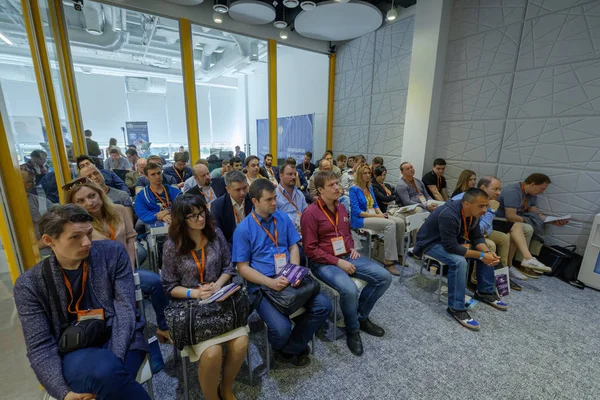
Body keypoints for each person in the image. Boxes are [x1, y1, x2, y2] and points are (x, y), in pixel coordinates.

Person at [14, 204, 151, 400]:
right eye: (75, 237)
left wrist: (115, 359)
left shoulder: (112, 254)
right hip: (73, 350)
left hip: (122, 338)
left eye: (89, 233)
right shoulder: (30, 285)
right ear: (49, 240)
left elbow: (125, 311)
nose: (87, 242)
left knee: (106, 374)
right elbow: (40, 345)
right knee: (106, 375)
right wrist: (64, 393)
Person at [233, 179, 331, 367]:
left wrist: (294, 271)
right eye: (268, 200)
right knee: (281, 329)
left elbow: (294, 246)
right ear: (254, 201)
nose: (274, 203)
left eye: (275, 198)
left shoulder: (283, 218)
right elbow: (242, 268)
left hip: (288, 275)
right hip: (263, 284)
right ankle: (291, 344)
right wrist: (269, 283)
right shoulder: (243, 229)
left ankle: (288, 350)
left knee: (324, 306)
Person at [162, 195, 248, 400]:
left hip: (219, 297)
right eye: (192, 216)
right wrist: (195, 292)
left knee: (242, 342)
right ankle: (211, 397)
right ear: (181, 220)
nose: (200, 219)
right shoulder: (172, 245)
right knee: (212, 352)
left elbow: (229, 267)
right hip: (190, 305)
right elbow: (169, 286)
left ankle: (226, 388)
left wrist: (218, 284)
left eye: (201, 213)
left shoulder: (215, 234)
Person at [64, 180, 172, 343]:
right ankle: (140, 346)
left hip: (126, 268)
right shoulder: (77, 226)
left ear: (100, 194)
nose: (89, 202)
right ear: (74, 204)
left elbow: (130, 238)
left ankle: (164, 328)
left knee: (156, 282)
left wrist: (128, 267)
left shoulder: (119, 210)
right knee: (125, 304)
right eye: (81, 201)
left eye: (92, 196)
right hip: (100, 277)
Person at [302, 171, 391, 356]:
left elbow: (346, 233)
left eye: (337, 183)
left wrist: (351, 247)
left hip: (346, 255)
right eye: (332, 185)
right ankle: (353, 329)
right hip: (323, 262)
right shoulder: (310, 213)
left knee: (384, 277)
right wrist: (338, 262)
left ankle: (361, 317)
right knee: (349, 289)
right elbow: (310, 250)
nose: (337, 187)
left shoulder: (342, 208)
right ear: (320, 190)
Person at [413, 188, 506, 330]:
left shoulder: (473, 214)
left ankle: (485, 291)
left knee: (489, 250)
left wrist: (486, 252)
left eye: (486, 206)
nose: (485, 210)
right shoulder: (449, 214)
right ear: (466, 203)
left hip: (451, 241)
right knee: (459, 261)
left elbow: (477, 236)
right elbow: (451, 247)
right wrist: (481, 255)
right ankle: (456, 308)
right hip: (430, 243)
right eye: (481, 206)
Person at [496, 173, 569, 278]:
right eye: (541, 189)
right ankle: (518, 262)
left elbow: (535, 213)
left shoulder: (532, 195)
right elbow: (511, 216)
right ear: (533, 184)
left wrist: (552, 221)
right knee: (527, 228)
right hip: (501, 218)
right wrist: (531, 220)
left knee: (541, 226)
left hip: (518, 217)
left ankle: (525, 260)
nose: (542, 192)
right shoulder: (513, 192)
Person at [349, 164, 405, 276]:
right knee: (390, 224)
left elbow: (375, 204)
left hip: (373, 215)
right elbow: (356, 212)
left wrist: (380, 213)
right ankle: (388, 261)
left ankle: (399, 255)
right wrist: (377, 216)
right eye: (365, 173)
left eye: (369, 173)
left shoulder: (369, 187)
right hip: (360, 219)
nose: (368, 175)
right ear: (359, 175)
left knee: (400, 222)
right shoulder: (353, 189)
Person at [211, 170, 253, 247]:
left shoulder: (253, 200)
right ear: (228, 189)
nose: (242, 192)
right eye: (238, 190)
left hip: (253, 242)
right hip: (231, 245)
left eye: (244, 188)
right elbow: (220, 237)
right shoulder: (218, 206)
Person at [276, 163, 308, 233]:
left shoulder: (299, 194)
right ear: (281, 176)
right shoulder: (274, 196)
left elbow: (307, 215)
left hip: (301, 233)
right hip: (283, 234)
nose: (293, 177)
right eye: (290, 174)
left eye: (294, 174)